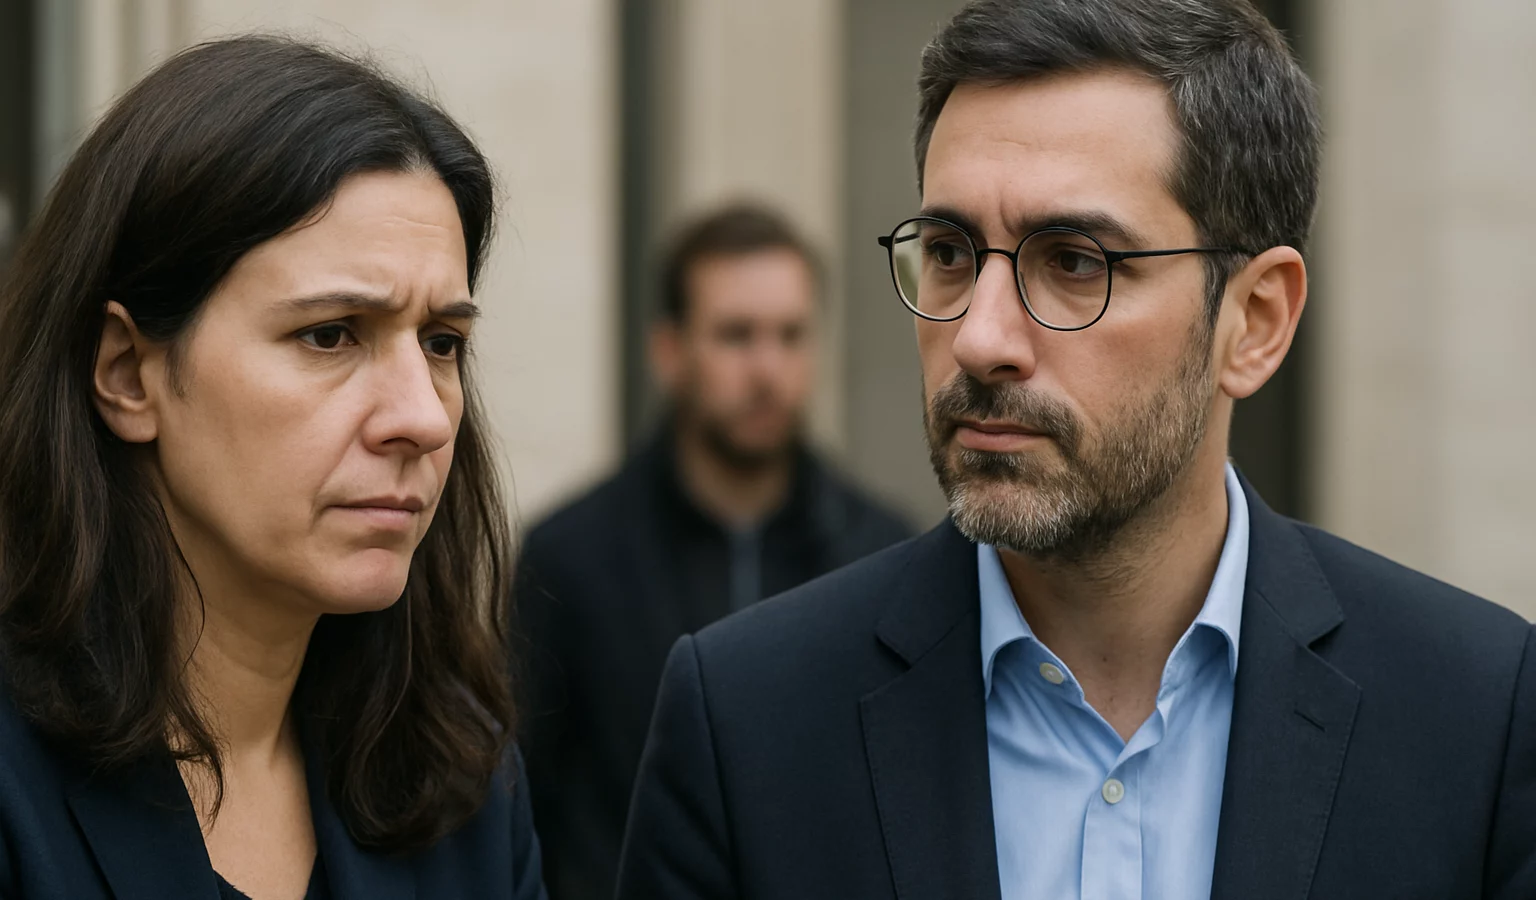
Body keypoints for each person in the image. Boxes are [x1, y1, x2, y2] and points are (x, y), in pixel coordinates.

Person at [616, 1, 1536, 898]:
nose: (979, 338)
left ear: (1255, 322)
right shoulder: (746, 724)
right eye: (950, 252)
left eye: (1075, 262)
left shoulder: (1475, 719)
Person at [0, 36, 544, 900]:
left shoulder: (458, 781)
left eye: (442, 343)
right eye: (330, 335)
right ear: (128, 373)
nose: (421, 416)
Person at [517, 204, 912, 900]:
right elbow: (523, 805)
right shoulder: (570, 561)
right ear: (670, 351)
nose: (767, 368)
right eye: (736, 335)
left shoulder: (882, 553)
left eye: (790, 335)